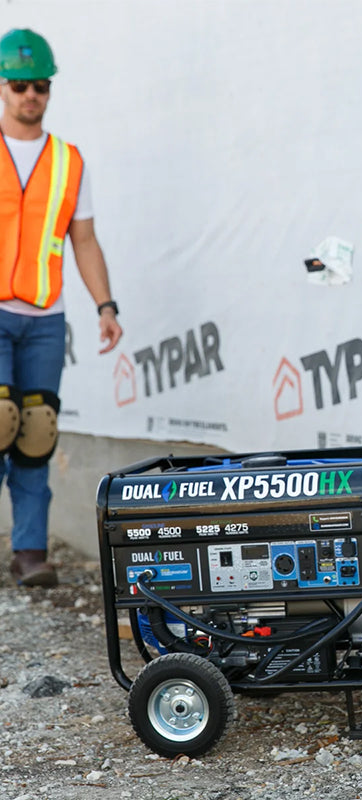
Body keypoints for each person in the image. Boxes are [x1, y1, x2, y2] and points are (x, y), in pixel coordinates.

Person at [0, 28, 122, 587]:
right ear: (4, 86)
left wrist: (105, 305)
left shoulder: (70, 162)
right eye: (21, 84)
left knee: (36, 431)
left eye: (40, 86)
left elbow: (85, 239)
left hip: (45, 319)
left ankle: (30, 552)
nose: (31, 95)